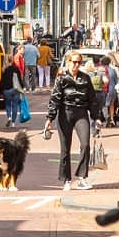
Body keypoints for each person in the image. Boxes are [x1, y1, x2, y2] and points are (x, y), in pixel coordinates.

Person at [45, 51, 97, 190]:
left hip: (81, 113)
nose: (76, 65)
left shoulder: (85, 78)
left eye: (79, 62)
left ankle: (82, 177)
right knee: (65, 148)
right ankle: (66, 179)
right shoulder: (62, 78)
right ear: (68, 62)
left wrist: (96, 117)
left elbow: (92, 99)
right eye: (74, 62)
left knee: (85, 144)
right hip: (65, 113)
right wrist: (50, 118)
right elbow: (55, 98)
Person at [0, 56, 27, 126]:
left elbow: (1, 81)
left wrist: (0, 91)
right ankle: (13, 123)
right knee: (15, 106)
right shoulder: (15, 68)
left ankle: (9, 117)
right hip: (15, 89)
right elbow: (19, 79)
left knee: (8, 105)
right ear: (12, 60)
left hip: (6, 90)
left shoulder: (4, 69)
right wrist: (23, 87)